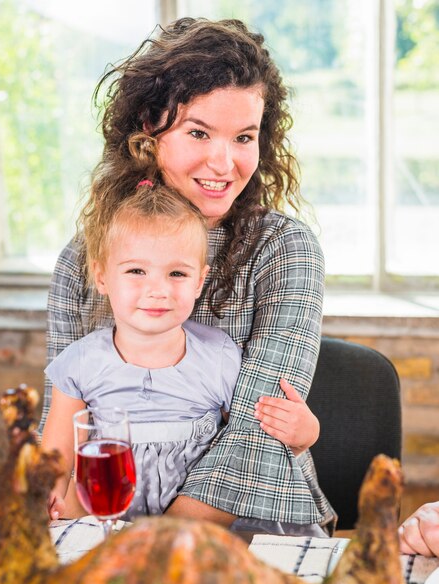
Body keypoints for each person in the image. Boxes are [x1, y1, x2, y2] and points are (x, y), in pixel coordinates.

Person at [41, 17, 336, 535]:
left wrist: (159, 550)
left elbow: (256, 429)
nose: (224, 162)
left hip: (253, 521)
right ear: (148, 133)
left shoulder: (284, 249)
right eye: (198, 131)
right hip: (114, 524)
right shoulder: (81, 262)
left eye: (244, 137)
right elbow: (67, 440)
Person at [42, 174, 243, 521]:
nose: (158, 290)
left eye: (177, 274)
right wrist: (47, 492)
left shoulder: (220, 358)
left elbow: (244, 444)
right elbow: (58, 454)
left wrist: (304, 433)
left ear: (199, 280)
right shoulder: (79, 363)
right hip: (107, 518)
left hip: (193, 527)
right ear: (102, 277)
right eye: (137, 270)